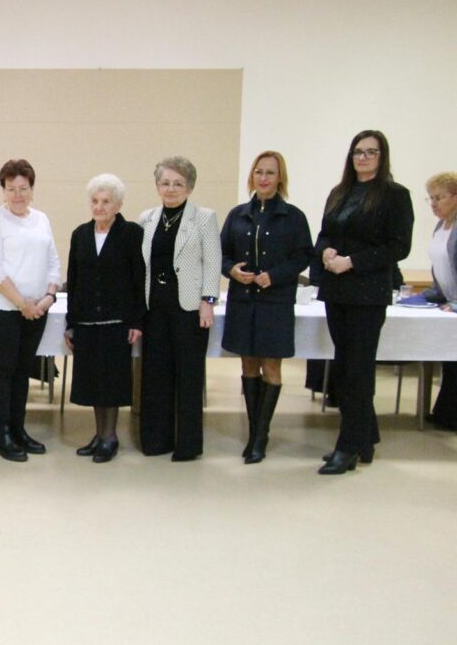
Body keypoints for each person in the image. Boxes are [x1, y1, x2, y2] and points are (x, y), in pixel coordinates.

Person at [315, 130, 414, 474]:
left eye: (371, 152)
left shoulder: (395, 195)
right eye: (358, 151)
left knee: (357, 369)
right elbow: (325, 234)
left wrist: (352, 262)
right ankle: (364, 439)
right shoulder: (339, 193)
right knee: (344, 367)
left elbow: (398, 247)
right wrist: (326, 252)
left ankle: (347, 446)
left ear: (382, 157)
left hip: (367, 293)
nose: (363, 157)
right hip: (336, 291)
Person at [220, 151, 312, 464]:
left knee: (271, 367)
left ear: (279, 177)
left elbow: (303, 256)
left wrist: (275, 275)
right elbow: (221, 254)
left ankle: (261, 436)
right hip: (243, 301)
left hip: (275, 302)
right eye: (258, 172)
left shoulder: (293, 217)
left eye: (270, 173)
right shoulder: (238, 215)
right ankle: (253, 432)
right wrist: (232, 270)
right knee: (248, 366)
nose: (263, 178)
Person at [138, 156, 221, 461]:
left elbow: (212, 262)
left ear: (189, 187)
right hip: (154, 308)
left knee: (188, 376)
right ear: (157, 186)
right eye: (165, 183)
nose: (171, 189)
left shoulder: (204, 218)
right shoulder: (147, 218)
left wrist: (208, 301)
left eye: (178, 184)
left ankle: (187, 445)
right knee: (155, 375)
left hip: (189, 308)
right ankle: (156, 441)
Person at [0, 159, 62, 462]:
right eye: (11, 189)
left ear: (32, 189)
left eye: (23, 188)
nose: (17, 194)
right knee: (3, 369)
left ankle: (18, 428)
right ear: (3, 191)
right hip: (4, 308)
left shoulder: (41, 219)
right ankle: (1, 433)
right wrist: (22, 303)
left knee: (23, 369)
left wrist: (48, 297)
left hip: (37, 308)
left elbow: (53, 261)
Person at [64, 174, 145, 463]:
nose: (99, 207)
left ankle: (110, 437)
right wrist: (71, 323)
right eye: (95, 201)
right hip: (86, 322)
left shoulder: (131, 233)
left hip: (117, 322)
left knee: (112, 382)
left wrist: (137, 321)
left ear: (118, 205)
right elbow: (73, 280)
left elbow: (139, 280)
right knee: (94, 382)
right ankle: (100, 435)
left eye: (106, 201)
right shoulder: (80, 234)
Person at [421, 172, 457, 429]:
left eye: (439, 198)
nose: (433, 204)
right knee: (449, 360)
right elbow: (441, 268)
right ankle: (446, 414)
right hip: (448, 302)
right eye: (431, 198)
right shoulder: (441, 226)